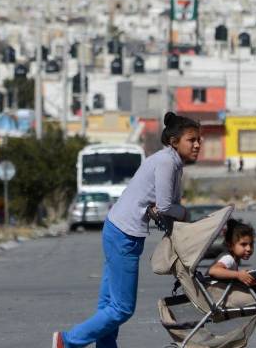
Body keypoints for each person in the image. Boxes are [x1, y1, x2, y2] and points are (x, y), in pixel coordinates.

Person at [53, 112, 202, 348]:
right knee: (122, 308)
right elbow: (164, 206)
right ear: (174, 142)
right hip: (124, 234)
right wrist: (183, 213)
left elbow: (159, 206)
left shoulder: (171, 162)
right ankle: (68, 341)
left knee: (108, 305)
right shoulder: (166, 162)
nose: (197, 145)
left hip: (119, 229)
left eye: (198, 140)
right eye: (191, 140)